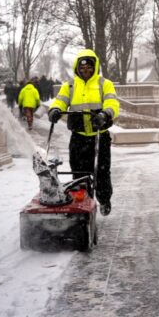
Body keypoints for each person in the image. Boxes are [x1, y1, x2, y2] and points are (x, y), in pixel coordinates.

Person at [48, 49, 119, 216]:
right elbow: (60, 101)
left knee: (102, 170)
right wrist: (55, 110)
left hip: (99, 135)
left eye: (89, 68)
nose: (85, 71)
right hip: (78, 136)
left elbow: (112, 104)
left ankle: (104, 198)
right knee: (78, 170)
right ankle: (81, 199)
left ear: (94, 67)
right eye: (82, 68)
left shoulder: (104, 84)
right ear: (77, 68)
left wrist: (105, 114)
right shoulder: (69, 86)